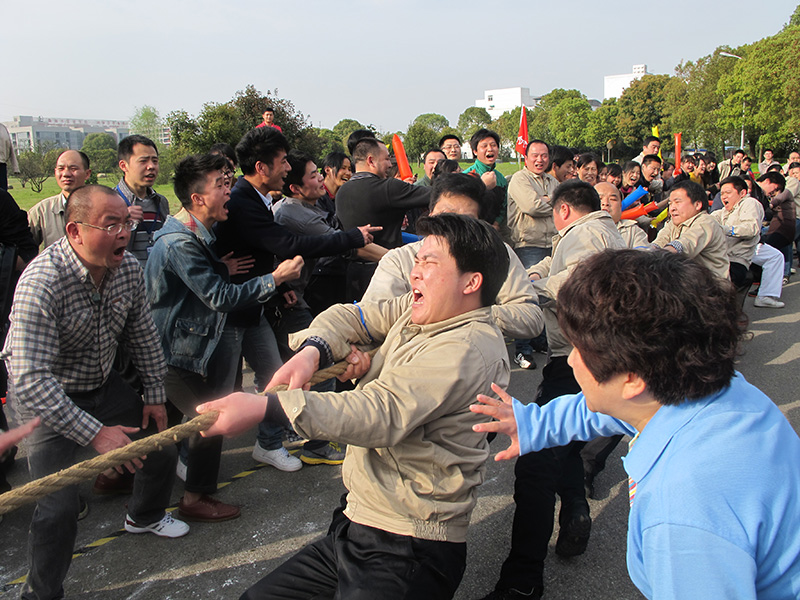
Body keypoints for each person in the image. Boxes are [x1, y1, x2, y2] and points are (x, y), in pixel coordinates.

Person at [199, 213, 512, 600]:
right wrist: (313, 351)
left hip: (407, 544)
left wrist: (269, 409)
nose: (415, 272)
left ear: (472, 282)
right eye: (417, 259)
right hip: (358, 522)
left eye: (429, 262)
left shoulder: (468, 346)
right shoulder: (424, 313)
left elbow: (378, 413)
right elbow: (356, 314)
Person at [471, 248, 800, 600]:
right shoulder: (710, 389)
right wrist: (532, 422)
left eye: (580, 351)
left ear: (632, 378)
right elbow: (603, 408)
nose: (572, 363)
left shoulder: (685, 510)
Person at [2, 185, 189, 600]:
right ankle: (40, 593)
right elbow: (31, 380)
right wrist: (95, 433)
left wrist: (156, 394)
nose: (124, 232)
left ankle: (144, 516)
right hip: (47, 404)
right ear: (74, 231)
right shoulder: (42, 281)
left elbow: (142, 334)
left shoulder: (127, 269)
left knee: (160, 448)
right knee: (57, 509)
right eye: (111, 224)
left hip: (103, 386)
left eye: (127, 222)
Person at [483, 180, 626, 600]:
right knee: (560, 439)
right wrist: (536, 272)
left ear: (561, 210)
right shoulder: (597, 231)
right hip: (583, 362)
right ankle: (577, 509)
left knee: (535, 462)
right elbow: (557, 264)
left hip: (580, 361)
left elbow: (582, 275)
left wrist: (528, 294)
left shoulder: (587, 235)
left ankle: (522, 579)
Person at [145, 153, 304, 522]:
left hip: (182, 349)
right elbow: (219, 297)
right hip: (174, 354)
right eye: (221, 185)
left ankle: (144, 509)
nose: (229, 192)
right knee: (209, 422)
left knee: (164, 432)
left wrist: (221, 267)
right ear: (198, 197)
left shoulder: (197, 234)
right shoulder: (179, 243)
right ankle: (193, 497)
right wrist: (276, 279)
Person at [213, 127, 375, 471]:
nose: (287, 168)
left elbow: (268, 250)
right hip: (231, 310)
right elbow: (288, 244)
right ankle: (191, 461)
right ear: (262, 167)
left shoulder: (258, 198)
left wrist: (278, 282)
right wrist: (352, 238)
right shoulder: (244, 200)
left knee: (274, 373)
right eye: (283, 161)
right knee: (220, 390)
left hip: (259, 303)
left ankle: (269, 443)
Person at [273, 150, 387, 464]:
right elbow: (347, 241)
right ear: (295, 187)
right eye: (313, 175)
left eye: (319, 174)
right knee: (314, 361)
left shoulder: (316, 203)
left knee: (291, 365)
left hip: (294, 294)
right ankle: (312, 443)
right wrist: (396, 259)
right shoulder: (295, 213)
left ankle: (286, 437)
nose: (321, 179)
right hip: (283, 299)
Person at [362, 173, 543, 344]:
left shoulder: (497, 254)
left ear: (480, 223)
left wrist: (472, 314)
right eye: (446, 216)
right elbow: (372, 318)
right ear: (430, 214)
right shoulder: (399, 260)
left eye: (466, 220)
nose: (453, 227)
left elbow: (530, 317)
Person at [335, 137, 430, 300]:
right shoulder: (389, 188)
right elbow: (438, 195)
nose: (390, 164)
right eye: (386, 158)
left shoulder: (342, 192)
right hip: (386, 273)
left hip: (353, 275)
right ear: (371, 160)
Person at [506, 140, 559, 369]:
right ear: (526, 158)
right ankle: (522, 349)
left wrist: (546, 201)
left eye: (544, 155)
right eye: (535, 155)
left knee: (546, 297)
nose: (540, 160)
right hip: (528, 243)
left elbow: (560, 208)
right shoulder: (520, 178)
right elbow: (532, 207)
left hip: (551, 243)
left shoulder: (553, 181)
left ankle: (539, 341)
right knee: (527, 297)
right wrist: (550, 202)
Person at [712, 176, 785, 308]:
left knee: (775, 256)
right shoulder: (722, 211)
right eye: (722, 193)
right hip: (725, 256)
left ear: (743, 193)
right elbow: (708, 220)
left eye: (728, 192)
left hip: (739, 256)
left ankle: (766, 296)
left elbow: (751, 228)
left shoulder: (750, 203)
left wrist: (725, 229)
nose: (724, 197)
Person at [650, 180, 729, 280]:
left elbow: (686, 244)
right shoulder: (673, 223)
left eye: (677, 202)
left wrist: (657, 255)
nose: (672, 208)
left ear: (697, 205)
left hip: (711, 287)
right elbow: (659, 241)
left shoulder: (706, 221)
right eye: (670, 203)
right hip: (688, 284)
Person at [115, 134, 170, 267]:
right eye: (143, 161)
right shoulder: (110, 202)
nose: (151, 166)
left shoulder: (160, 202)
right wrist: (122, 222)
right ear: (124, 165)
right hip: (125, 281)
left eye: (155, 161)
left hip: (156, 282)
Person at [28, 150, 92, 249]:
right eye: (61, 169)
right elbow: (24, 249)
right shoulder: (42, 211)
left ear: (87, 174)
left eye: (73, 169)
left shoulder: (101, 206)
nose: (66, 174)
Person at [463, 129, 507, 229]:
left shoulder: (501, 179)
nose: (490, 149)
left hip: (493, 232)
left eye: (493, 145)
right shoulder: (465, 176)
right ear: (475, 151)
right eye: (484, 146)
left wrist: (496, 224)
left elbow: (503, 207)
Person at [757, 171, 796, 281]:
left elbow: (776, 201)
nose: (774, 192)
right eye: (775, 189)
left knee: (773, 252)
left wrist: (768, 205)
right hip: (779, 227)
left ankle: (782, 275)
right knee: (778, 252)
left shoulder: (785, 192)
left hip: (784, 227)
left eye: (777, 190)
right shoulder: (761, 191)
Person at [596, 182, 648, 248]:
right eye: (600, 199)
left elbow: (643, 254)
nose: (606, 203)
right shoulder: (582, 229)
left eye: (612, 199)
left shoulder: (633, 231)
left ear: (621, 205)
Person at [0, 122, 19, 190]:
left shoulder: (3, 128)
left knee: (3, 194)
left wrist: (15, 167)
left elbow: (10, 147)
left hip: (2, 166)